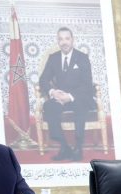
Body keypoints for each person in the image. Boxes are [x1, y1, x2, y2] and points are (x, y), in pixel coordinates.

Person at [38, 27, 94, 161]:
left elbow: (87, 84)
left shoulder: (82, 57)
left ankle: (78, 147)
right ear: (58, 41)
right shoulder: (53, 58)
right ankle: (64, 147)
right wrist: (53, 92)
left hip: (79, 97)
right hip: (60, 97)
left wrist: (69, 97)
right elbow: (43, 79)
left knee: (81, 106)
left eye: (67, 38)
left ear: (72, 40)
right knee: (49, 106)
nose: (64, 42)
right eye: (61, 39)